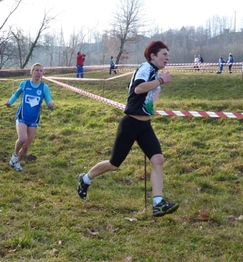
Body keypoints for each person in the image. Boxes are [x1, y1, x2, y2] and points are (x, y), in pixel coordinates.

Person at [77, 40, 179, 217]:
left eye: (167, 55)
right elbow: (138, 89)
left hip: (145, 125)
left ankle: (158, 203)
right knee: (114, 164)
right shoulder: (146, 68)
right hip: (130, 124)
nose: (167, 58)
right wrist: (161, 80)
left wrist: (156, 87)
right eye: (164, 54)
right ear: (153, 56)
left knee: (158, 159)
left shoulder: (153, 73)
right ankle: (85, 179)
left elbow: (144, 97)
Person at [5, 63, 54, 172]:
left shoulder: (44, 87)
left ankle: (17, 163)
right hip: (22, 117)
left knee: (26, 146)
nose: (39, 73)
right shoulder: (24, 84)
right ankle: (15, 154)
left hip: (33, 120)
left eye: (41, 71)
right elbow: (16, 95)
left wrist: (50, 104)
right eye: (36, 70)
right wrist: (10, 102)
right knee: (22, 138)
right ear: (31, 72)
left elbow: (48, 99)